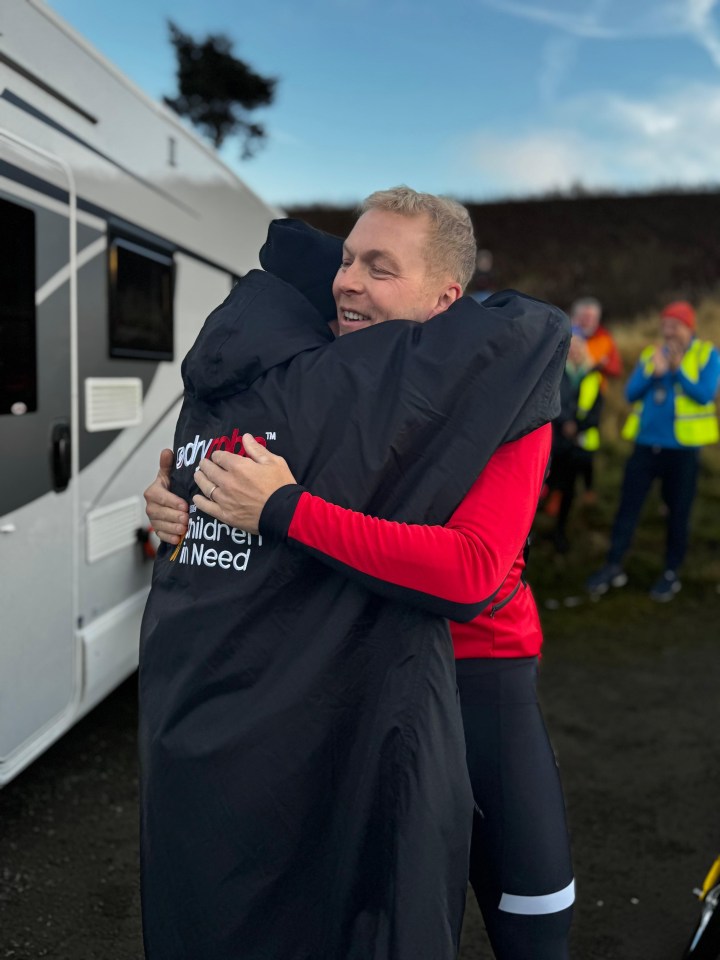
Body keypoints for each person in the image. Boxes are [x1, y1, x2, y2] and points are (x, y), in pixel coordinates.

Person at [144, 187, 574, 960]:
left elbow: (470, 571)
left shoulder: (499, 390)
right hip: (356, 683)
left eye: (381, 269)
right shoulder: (321, 376)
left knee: (534, 912)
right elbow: (245, 508)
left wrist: (286, 510)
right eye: (347, 259)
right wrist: (185, 502)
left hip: (480, 679)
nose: (347, 282)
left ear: (445, 297)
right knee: (358, 914)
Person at [586, 300, 720, 601]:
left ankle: (671, 573)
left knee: (678, 512)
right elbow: (632, 392)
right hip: (646, 446)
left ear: (689, 328)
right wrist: (653, 373)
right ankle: (613, 566)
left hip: (682, 450)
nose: (668, 332)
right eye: (665, 326)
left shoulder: (706, 354)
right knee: (627, 508)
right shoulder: (651, 354)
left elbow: (703, 395)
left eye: (674, 326)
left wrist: (676, 370)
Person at [544, 296, 621, 517]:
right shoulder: (561, 334)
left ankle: (576, 495)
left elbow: (615, 369)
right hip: (559, 424)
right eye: (584, 317)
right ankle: (552, 495)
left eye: (592, 317)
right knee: (555, 464)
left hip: (587, 414)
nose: (588, 321)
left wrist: (600, 367)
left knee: (582, 461)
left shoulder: (604, 340)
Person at [546, 334, 603, 552]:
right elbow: (550, 401)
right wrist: (566, 422)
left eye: (580, 347)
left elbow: (597, 410)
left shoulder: (593, 376)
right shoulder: (556, 372)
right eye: (573, 347)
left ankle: (559, 530)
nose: (576, 351)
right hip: (555, 442)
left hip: (576, 445)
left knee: (568, 489)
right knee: (545, 485)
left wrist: (578, 426)